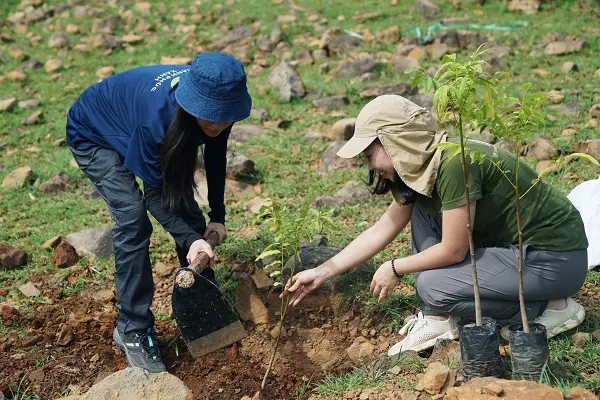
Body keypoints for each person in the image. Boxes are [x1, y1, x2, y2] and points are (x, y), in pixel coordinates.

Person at [284, 95, 588, 356]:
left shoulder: (455, 163)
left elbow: (454, 251)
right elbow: (382, 228)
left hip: (552, 259)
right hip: (514, 252)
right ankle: (439, 317)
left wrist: (395, 267)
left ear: (396, 141)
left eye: (369, 154)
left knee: (432, 286)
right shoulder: (423, 171)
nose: (371, 166)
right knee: (419, 212)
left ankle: (550, 307)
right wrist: (322, 272)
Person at [66, 53, 252, 372]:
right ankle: (132, 328)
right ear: (193, 103)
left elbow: (216, 156)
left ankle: (202, 302)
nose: (219, 124)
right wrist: (189, 236)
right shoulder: (156, 120)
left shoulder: (220, 104)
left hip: (146, 123)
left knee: (184, 205)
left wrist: (216, 217)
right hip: (94, 134)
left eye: (224, 117)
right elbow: (154, 194)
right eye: (211, 116)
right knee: (133, 220)